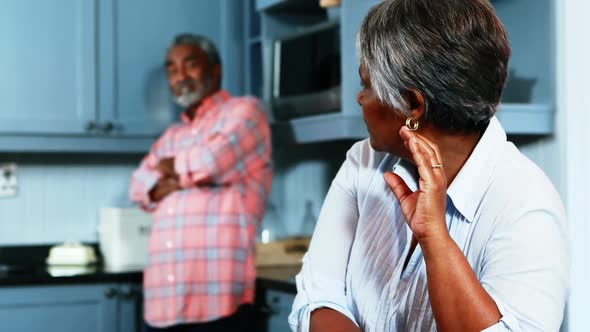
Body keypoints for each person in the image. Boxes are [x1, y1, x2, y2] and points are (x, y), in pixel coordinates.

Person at [289, 0, 568, 331]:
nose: (360, 98)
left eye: (366, 84)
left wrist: (435, 237)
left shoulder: (525, 204)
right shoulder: (363, 162)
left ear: (412, 104)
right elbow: (317, 297)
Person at [129, 34, 272, 331]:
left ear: (215, 69)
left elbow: (211, 163)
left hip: (218, 305)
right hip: (162, 305)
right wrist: (187, 173)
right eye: (172, 69)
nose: (180, 76)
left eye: (190, 65)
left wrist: (171, 170)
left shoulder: (246, 111)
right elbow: (140, 188)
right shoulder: (172, 135)